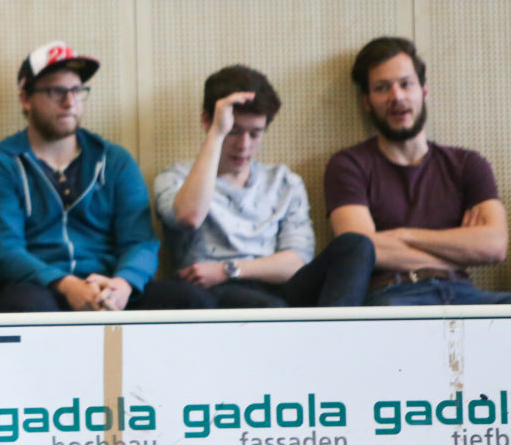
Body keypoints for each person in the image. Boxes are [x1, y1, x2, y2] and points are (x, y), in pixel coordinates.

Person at [325, 36, 511, 307]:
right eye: (382, 88)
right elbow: (361, 251)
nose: (397, 96)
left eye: (406, 84)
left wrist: (403, 235)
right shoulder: (349, 166)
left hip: (465, 295)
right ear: (367, 102)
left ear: (424, 91)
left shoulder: (467, 164)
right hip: (393, 297)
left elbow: (494, 246)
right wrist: (458, 250)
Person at [0, 41, 213, 313]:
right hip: (39, 289)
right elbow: (5, 251)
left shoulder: (114, 160)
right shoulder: (0, 164)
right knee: (27, 306)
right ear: (26, 99)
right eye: (55, 91)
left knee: (192, 301)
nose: (69, 102)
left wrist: (124, 283)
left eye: (76, 90)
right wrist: (66, 284)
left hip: (109, 285)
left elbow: (140, 241)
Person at [154, 65, 374, 308]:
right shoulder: (177, 177)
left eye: (255, 134)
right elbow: (189, 217)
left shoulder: (285, 181)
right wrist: (217, 133)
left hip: (276, 286)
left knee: (357, 245)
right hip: (215, 294)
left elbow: (297, 261)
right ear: (207, 120)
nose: (243, 145)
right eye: (233, 131)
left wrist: (228, 269)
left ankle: (333, 330)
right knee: (268, 307)